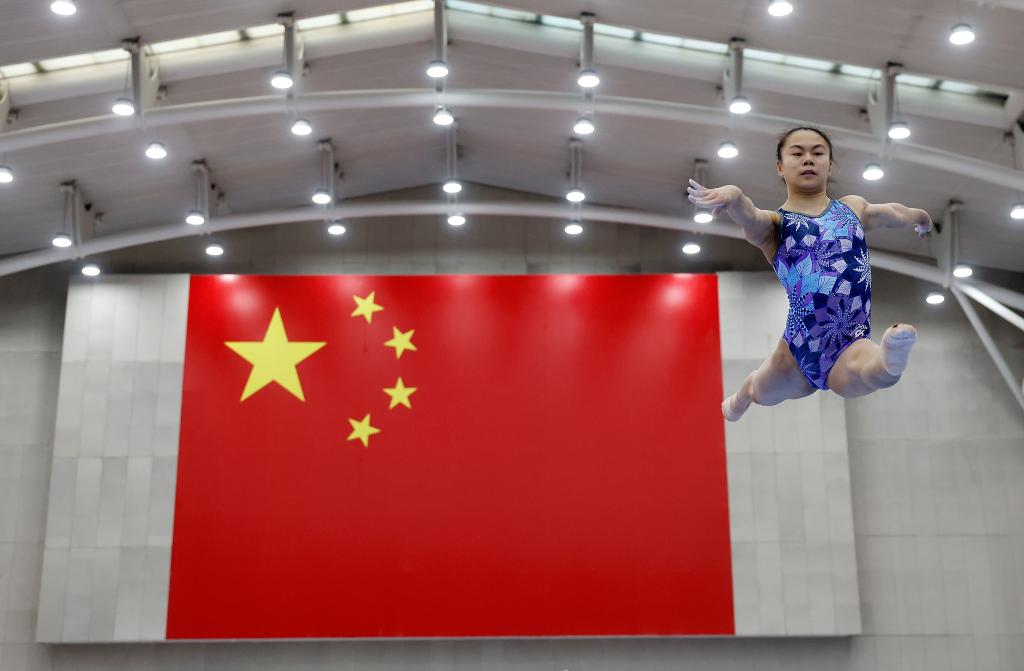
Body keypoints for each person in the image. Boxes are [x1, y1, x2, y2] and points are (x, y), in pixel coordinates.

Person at [687, 126, 933, 421]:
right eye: (797, 153)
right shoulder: (775, 225)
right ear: (780, 167)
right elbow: (749, 216)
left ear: (830, 165)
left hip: (850, 338)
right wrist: (735, 197)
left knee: (873, 374)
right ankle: (740, 399)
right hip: (797, 348)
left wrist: (922, 218)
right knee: (759, 390)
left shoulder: (853, 209)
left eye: (817, 153)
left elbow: (896, 213)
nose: (808, 159)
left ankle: (891, 355)